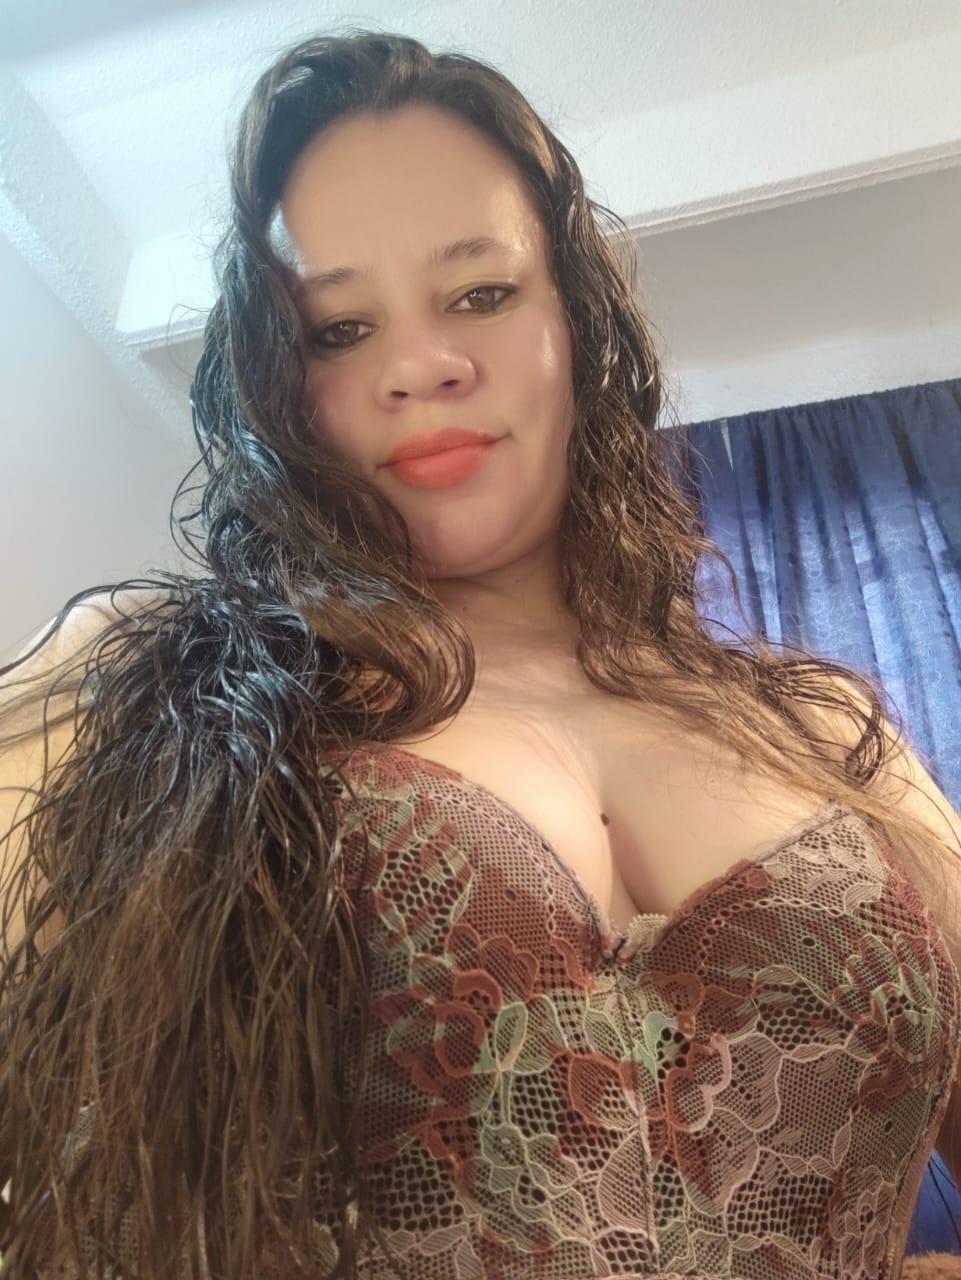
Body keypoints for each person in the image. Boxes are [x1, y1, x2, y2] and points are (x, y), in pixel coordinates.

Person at [0, 28, 958, 1280]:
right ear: (277, 384)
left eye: (480, 295)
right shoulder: (151, 693)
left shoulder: (824, 730)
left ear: (576, 322)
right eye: (337, 328)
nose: (417, 365)